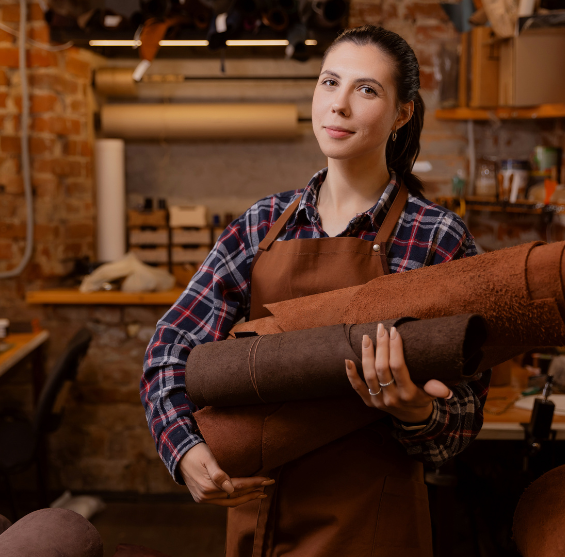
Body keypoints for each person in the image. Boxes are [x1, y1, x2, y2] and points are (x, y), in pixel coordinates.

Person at [142, 24, 491, 557]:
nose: (340, 105)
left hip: (375, 526)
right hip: (258, 517)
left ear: (403, 114)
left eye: (366, 90)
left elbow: (466, 415)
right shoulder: (261, 226)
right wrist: (185, 451)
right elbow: (169, 348)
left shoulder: (438, 239)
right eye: (330, 82)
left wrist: (417, 411)